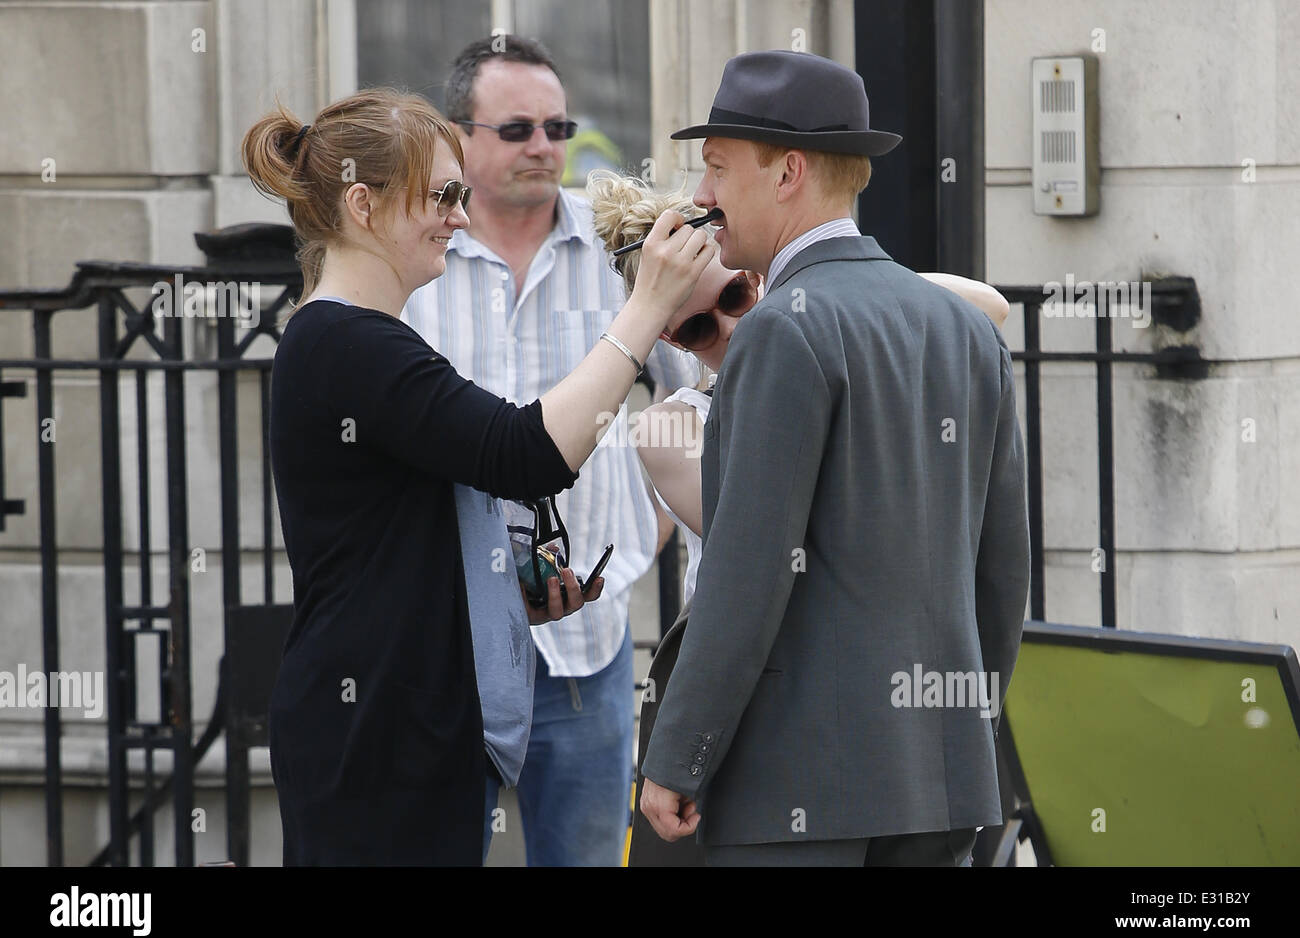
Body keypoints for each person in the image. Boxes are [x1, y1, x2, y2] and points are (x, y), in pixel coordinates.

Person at [241, 87, 715, 865]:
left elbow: (403, 538)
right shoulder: (345, 342)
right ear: (363, 204)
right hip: (374, 733)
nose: (460, 217)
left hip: (398, 719)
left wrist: (499, 596)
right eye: (442, 195)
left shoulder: (355, 339)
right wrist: (645, 307)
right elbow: (526, 454)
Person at [636, 50, 1032, 866]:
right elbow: (1001, 574)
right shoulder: (962, 329)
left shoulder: (783, 327)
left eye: (715, 169)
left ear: (788, 173)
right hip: (943, 782)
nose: (702, 198)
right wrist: (966, 726)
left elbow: (748, 573)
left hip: (800, 792)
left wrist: (678, 758)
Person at [400, 35, 699, 867]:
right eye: (519, 128)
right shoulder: (418, 256)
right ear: (459, 137)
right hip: (448, 639)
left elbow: (695, 392)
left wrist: (655, 523)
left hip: (585, 640)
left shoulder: (618, 255)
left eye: (558, 127)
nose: (545, 146)